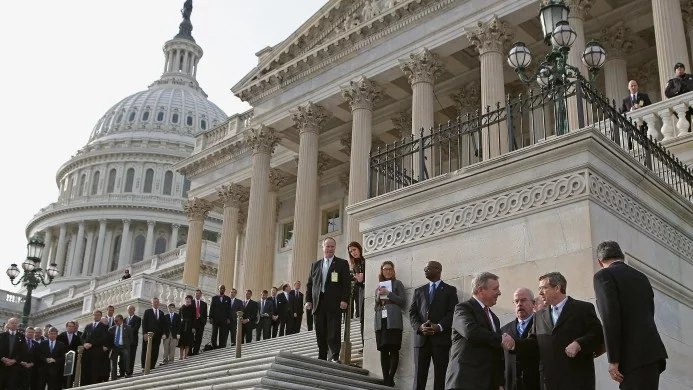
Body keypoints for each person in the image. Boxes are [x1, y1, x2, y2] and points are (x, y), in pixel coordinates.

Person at [507, 272, 604, 390]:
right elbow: (533, 342)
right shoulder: (538, 315)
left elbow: (597, 334)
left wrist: (579, 344)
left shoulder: (582, 308)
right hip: (549, 382)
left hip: (577, 379)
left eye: (543, 288)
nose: (540, 293)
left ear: (557, 288)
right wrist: (514, 344)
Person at [593, 241, 668, 389]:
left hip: (632, 357)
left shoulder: (603, 276)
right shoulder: (641, 277)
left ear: (600, 262)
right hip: (652, 354)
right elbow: (649, 311)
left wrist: (613, 359)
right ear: (622, 257)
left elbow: (610, 317)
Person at [445, 272, 504, 390]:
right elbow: (470, 331)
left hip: (488, 383)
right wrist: (501, 339)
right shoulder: (463, 309)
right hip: (465, 381)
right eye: (495, 289)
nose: (499, 293)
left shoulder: (494, 318)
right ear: (481, 290)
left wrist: (499, 382)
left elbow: (495, 352)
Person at [409, 261, 458, 390]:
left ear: (438, 269)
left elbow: (453, 312)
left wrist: (439, 326)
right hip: (421, 341)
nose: (425, 270)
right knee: (419, 377)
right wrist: (420, 327)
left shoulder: (450, 290)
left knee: (440, 377)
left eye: (428, 268)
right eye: (424, 268)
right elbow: (412, 313)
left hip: (440, 340)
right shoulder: (418, 291)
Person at [305, 236, 351, 362]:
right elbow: (310, 284)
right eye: (327, 246)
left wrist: (344, 300)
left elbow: (346, 284)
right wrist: (308, 300)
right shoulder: (315, 265)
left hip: (334, 303)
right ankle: (322, 356)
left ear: (335, 248)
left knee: (334, 331)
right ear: (323, 247)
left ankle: (334, 356)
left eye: (332, 246)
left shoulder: (342, 263)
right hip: (318, 303)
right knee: (320, 331)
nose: (330, 249)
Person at [500, 288, 540, 390]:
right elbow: (499, 360)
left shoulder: (542, 324)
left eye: (523, 300)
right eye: (516, 301)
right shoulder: (504, 330)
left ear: (533, 303)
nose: (519, 304)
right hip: (511, 385)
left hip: (537, 383)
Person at [374, 261, 405, 387]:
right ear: (381, 271)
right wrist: (377, 298)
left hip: (394, 320)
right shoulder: (379, 286)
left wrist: (389, 294)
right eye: (385, 269)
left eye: (390, 269)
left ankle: (390, 378)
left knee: (393, 349)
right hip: (381, 320)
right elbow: (375, 307)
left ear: (393, 271)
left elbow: (402, 301)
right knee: (383, 350)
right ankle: (385, 377)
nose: (388, 271)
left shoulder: (398, 284)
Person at [81, 310, 109, 385]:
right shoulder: (88, 326)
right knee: (86, 369)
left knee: (95, 369)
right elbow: (82, 337)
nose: (96, 316)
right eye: (94, 315)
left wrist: (91, 344)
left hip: (96, 351)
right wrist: (84, 344)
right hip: (87, 351)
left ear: (100, 316)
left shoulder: (104, 326)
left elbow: (102, 338)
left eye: (98, 315)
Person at [1, 317, 27, 390]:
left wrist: (14, 360)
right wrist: (2, 358)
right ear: (8, 324)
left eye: (16, 323)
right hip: (2, 367)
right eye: (12, 323)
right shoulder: (2, 335)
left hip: (14, 368)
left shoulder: (21, 337)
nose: (14, 325)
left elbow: (23, 351)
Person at [348, 241, 366, 347]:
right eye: (350, 251)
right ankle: (364, 346)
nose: (353, 253)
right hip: (361, 293)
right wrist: (358, 281)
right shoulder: (355, 265)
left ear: (359, 248)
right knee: (362, 320)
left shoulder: (366, 260)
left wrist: (362, 280)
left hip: (370, 293)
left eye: (354, 249)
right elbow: (358, 283)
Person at [141, 297, 166, 369]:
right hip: (148, 335)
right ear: (152, 303)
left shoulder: (161, 313)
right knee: (146, 350)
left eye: (157, 302)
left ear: (159, 303)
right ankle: (144, 366)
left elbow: (163, 324)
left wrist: (163, 333)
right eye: (154, 302)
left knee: (155, 350)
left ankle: (152, 366)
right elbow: (144, 323)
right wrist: (144, 333)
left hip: (158, 335)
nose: (156, 303)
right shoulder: (147, 311)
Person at [57, 320, 82, 387]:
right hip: (62, 361)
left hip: (72, 362)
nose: (71, 328)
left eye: (72, 326)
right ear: (66, 327)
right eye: (69, 326)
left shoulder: (77, 338)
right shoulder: (60, 336)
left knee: (70, 379)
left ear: (74, 328)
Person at [108, 314, 133, 380]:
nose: (115, 322)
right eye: (114, 321)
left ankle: (126, 372)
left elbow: (131, 338)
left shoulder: (128, 327)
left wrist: (127, 344)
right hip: (115, 347)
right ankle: (113, 376)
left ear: (121, 320)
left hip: (124, 347)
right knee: (113, 361)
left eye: (117, 321)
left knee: (125, 358)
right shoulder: (111, 329)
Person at [124, 305, 141, 376]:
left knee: (131, 357)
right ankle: (124, 371)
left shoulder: (138, 319)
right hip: (125, 342)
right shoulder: (124, 319)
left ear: (134, 310)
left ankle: (129, 372)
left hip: (133, 341)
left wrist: (126, 330)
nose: (130, 310)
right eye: (128, 309)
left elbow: (135, 329)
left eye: (131, 309)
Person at [191, 289, 208, 355]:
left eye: (199, 293)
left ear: (201, 295)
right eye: (196, 293)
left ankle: (195, 352)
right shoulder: (191, 302)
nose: (197, 294)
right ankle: (189, 352)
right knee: (191, 338)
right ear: (194, 294)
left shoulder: (204, 304)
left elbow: (205, 315)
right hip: (192, 322)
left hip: (200, 323)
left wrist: (204, 322)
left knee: (199, 338)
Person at [178, 295, 195, 359]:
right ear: (185, 300)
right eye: (186, 299)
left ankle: (185, 356)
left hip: (189, 326)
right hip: (182, 326)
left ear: (191, 300)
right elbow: (179, 318)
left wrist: (193, 327)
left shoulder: (193, 308)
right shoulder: (181, 308)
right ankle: (181, 356)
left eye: (189, 299)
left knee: (188, 342)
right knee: (181, 342)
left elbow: (194, 318)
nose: (187, 300)